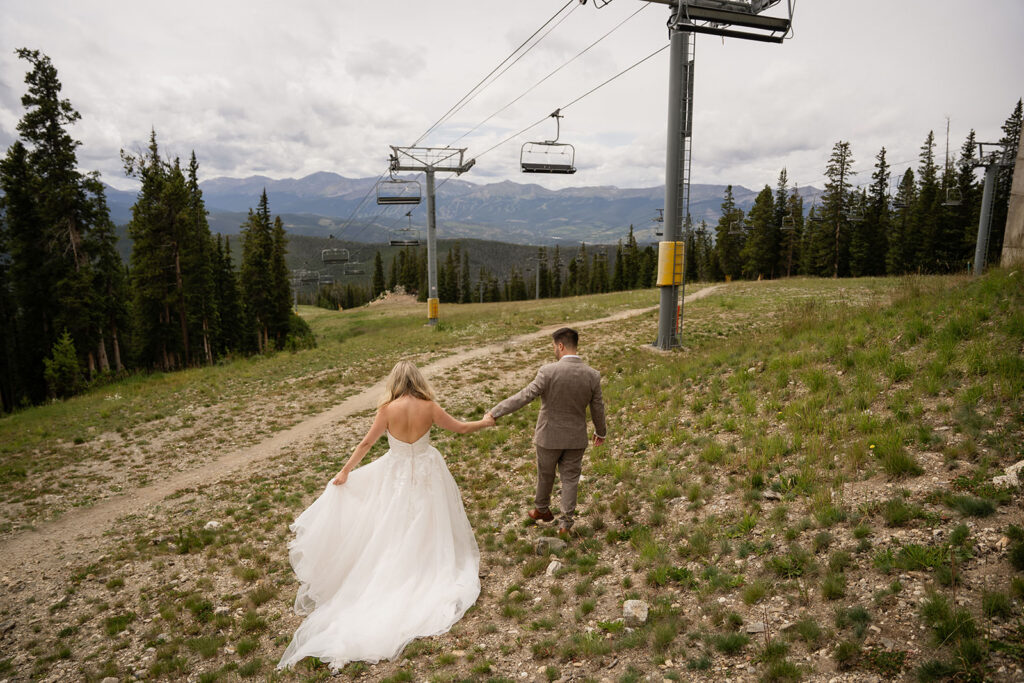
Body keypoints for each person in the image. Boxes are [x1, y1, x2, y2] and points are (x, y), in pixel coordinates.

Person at [277, 360, 495, 671]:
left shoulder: (387, 409)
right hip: (427, 471)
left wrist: (344, 471)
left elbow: (367, 443)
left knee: (393, 524)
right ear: (418, 380)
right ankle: (425, 565)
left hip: (396, 474)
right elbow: (459, 427)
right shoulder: (429, 406)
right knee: (429, 520)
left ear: (395, 381)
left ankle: (395, 568)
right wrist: (485, 422)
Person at [486, 327, 606, 535]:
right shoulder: (592, 375)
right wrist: (600, 431)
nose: (554, 350)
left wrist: (496, 412)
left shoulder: (548, 372)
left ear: (560, 346)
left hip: (548, 436)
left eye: (554, 347)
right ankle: (565, 524)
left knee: (545, 474)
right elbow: (598, 407)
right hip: (576, 438)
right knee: (570, 479)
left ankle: (542, 509)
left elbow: (525, 396)